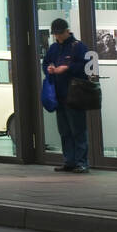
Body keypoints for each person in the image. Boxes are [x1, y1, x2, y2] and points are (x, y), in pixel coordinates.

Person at [43, 18, 90, 173]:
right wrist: (49, 69)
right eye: (55, 34)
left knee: (78, 130)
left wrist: (67, 68)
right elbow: (46, 63)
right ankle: (69, 161)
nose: (57, 37)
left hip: (75, 94)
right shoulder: (54, 48)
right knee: (64, 131)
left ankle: (82, 162)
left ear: (67, 31)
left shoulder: (78, 47)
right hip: (59, 95)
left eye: (59, 33)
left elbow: (85, 67)